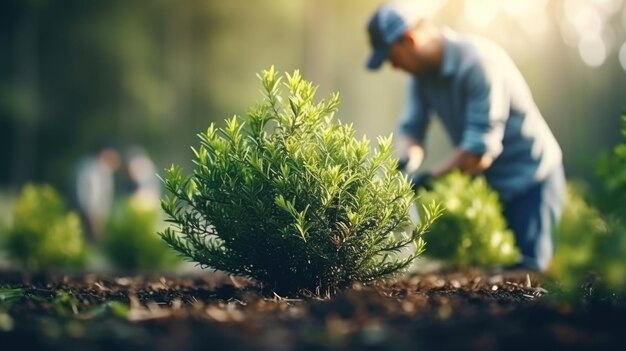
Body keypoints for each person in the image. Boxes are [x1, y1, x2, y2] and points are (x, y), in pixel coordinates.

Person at [365, 1, 565, 271]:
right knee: (501, 277)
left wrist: (429, 180)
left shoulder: (479, 64)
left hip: (532, 178)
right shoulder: (420, 78)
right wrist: (406, 161)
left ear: (409, 40)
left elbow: (478, 154)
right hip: (495, 185)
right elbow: (411, 130)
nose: (393, 67)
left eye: (392, 58)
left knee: (531, 276)